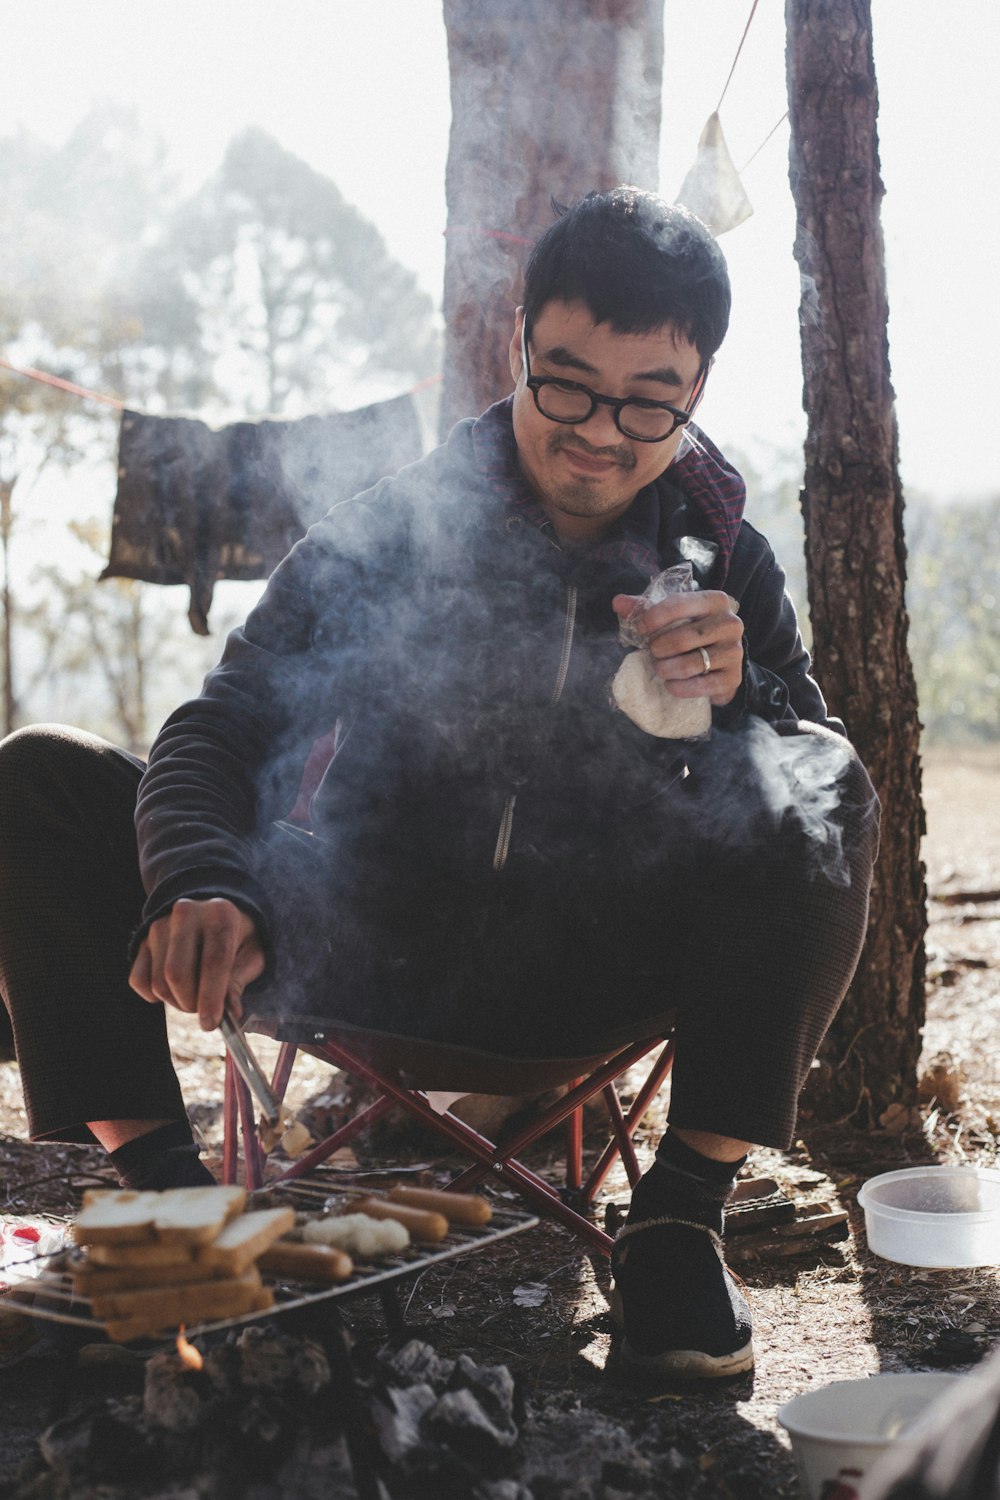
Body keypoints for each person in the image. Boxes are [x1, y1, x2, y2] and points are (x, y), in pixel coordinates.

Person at [0, 187, 879, 1379]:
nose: (599, 432)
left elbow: (810, 791)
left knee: (820, 782)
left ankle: (677, 1225)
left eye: (646, 400)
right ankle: (172, 1198)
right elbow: (227, 720)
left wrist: (750, 704)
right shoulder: (401, 522)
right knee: (41, 780)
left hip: (594, 966)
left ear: (697, 391)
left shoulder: (719, 558)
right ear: (519, 344)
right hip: (359, 937)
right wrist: (203, 877)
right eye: (565, 381)